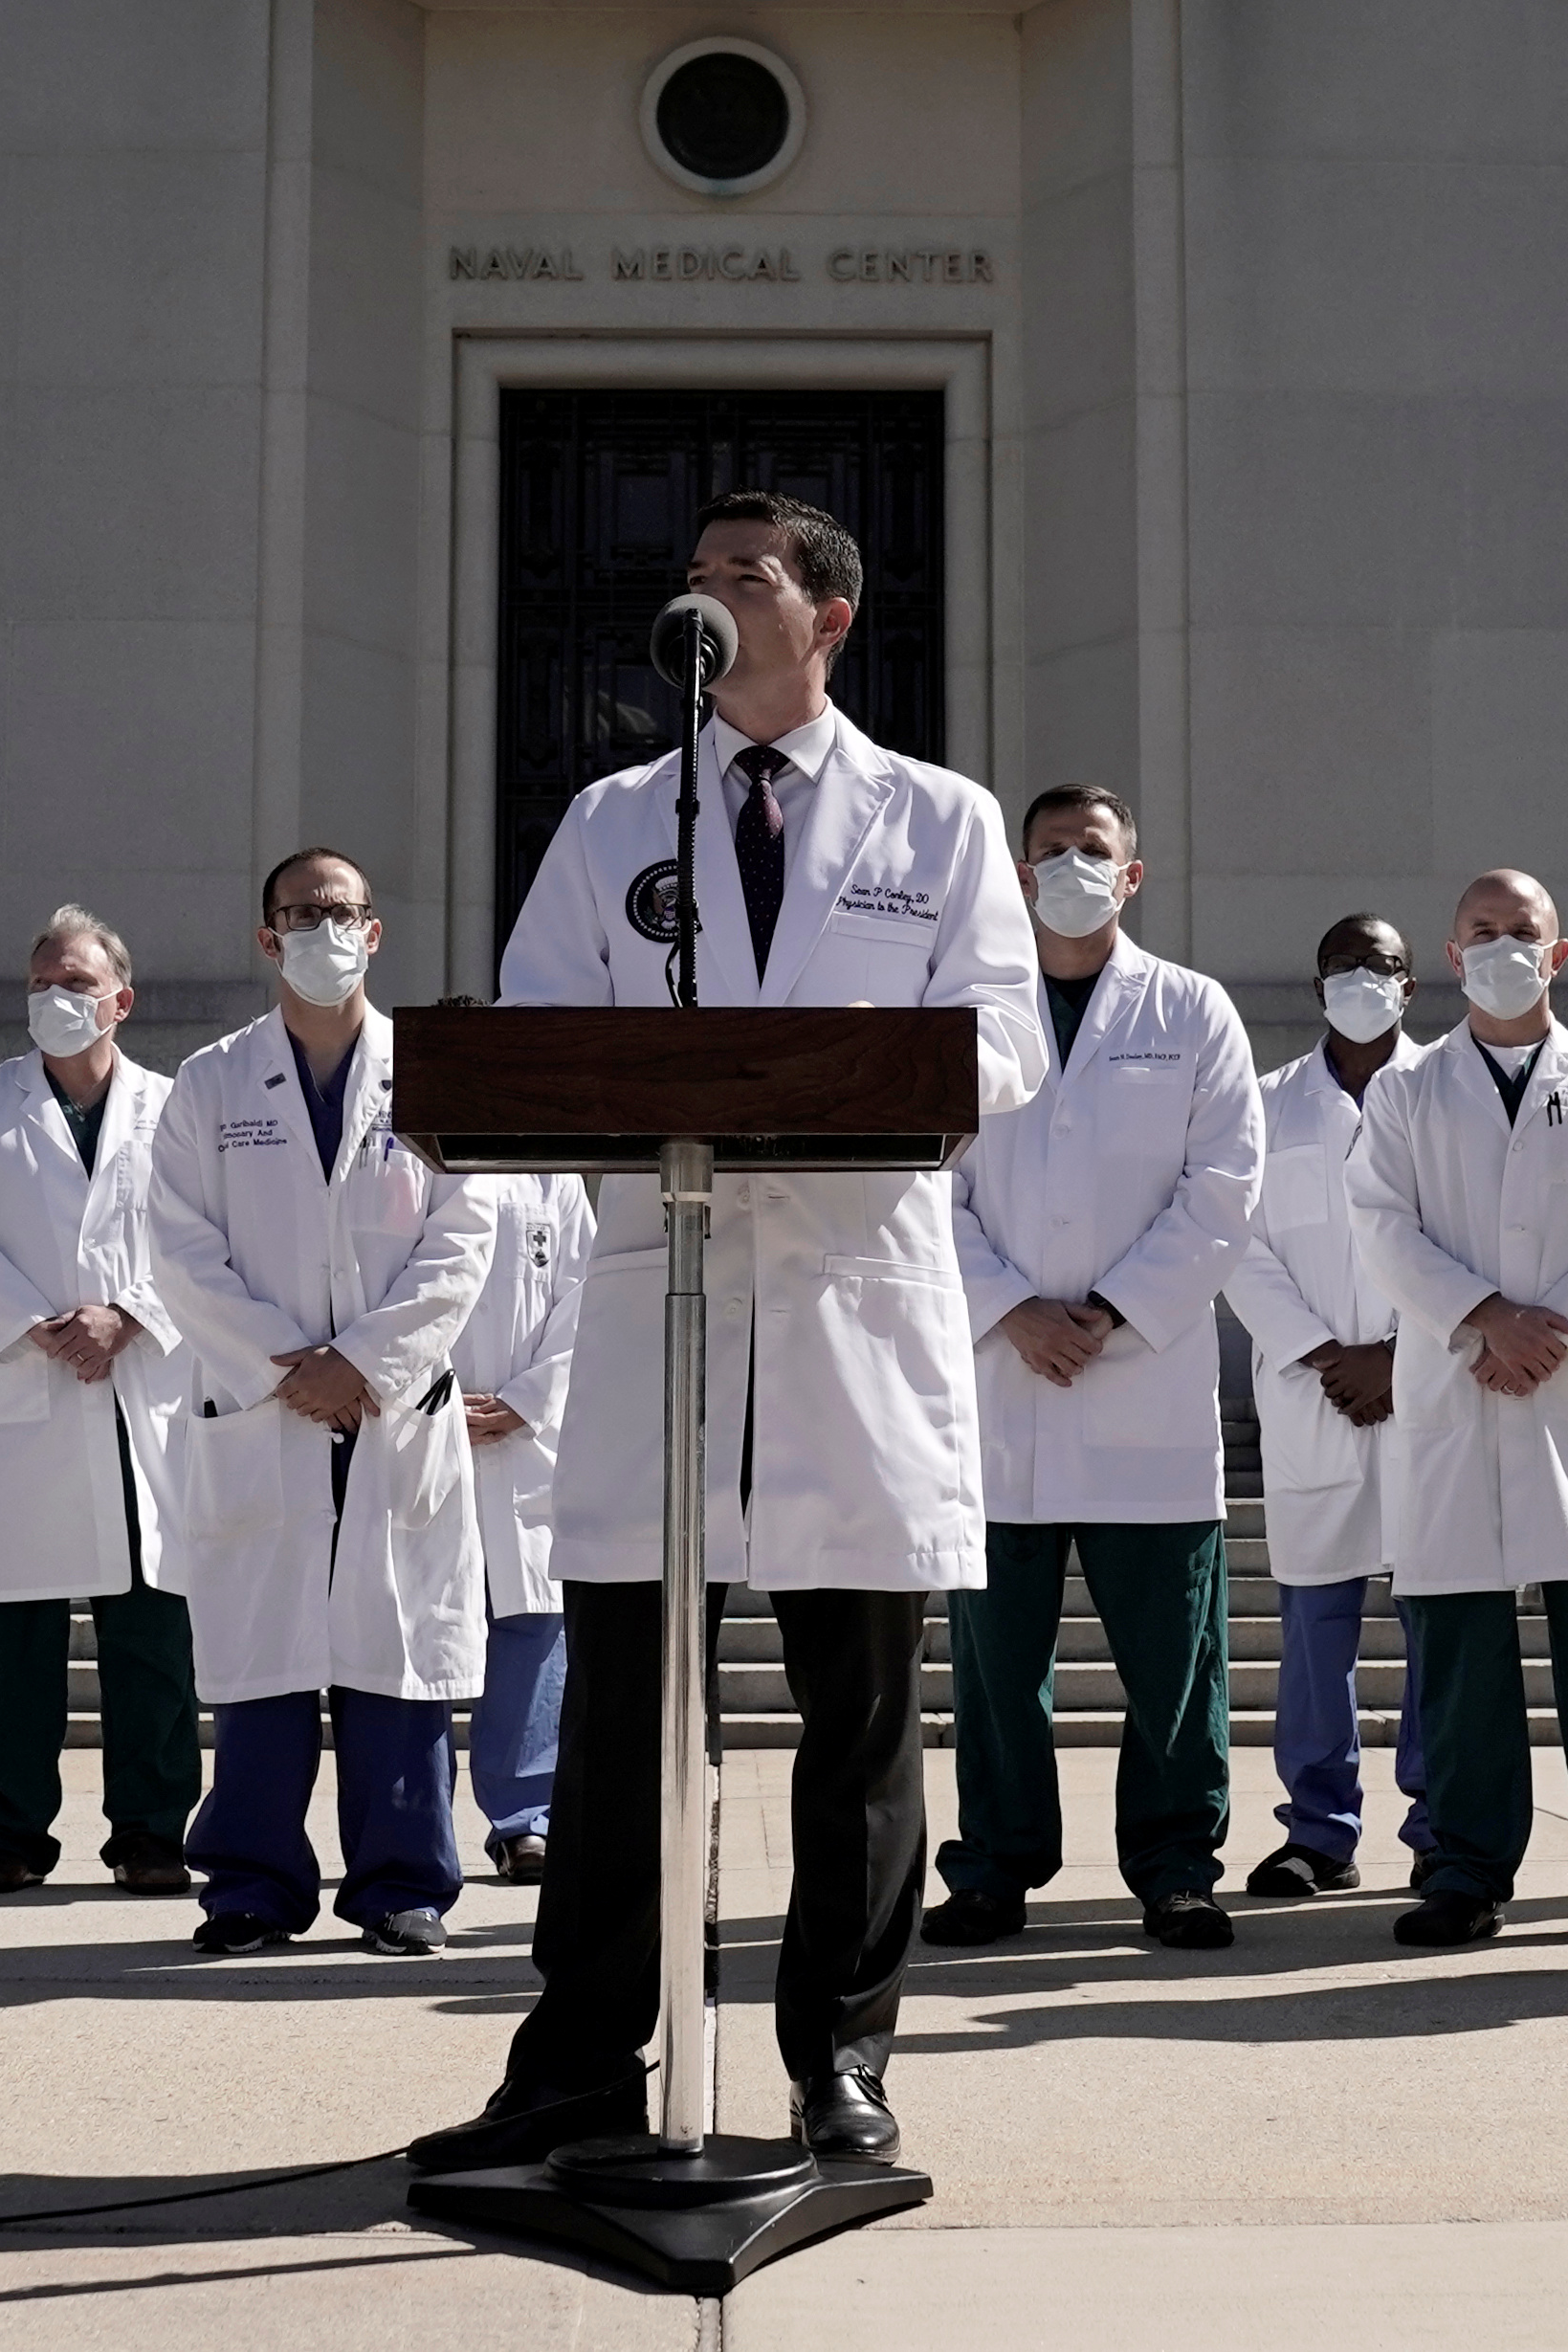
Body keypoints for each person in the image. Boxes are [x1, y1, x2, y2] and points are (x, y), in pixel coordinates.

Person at [410, 488, 1044, 2170]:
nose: (704, 599)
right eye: (691, 578)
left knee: (856, 1730)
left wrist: (829, 1082)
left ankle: (839, 2057)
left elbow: (999, 1044)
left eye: (741, 577)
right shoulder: (619, 819)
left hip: (845, 1301)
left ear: (827, 615)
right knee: (627, 1722)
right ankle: (575, 2066)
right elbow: (540, 1028)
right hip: (669, 1302)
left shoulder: (939, 819)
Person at [927, 785, 1261, 1953]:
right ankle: (995, 1865)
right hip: (1004, 1380)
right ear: (1020, 875)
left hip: (1143, 1388)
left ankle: (1176, 1864)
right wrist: (1014, 1309)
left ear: (1134, 873)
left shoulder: (1193, 1009)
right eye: (1052, 850)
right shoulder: (967, 1011)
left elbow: (1224, 1188)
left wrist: (1112, 1310)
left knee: (1173, 1662)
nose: (1072, 865)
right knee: (996, 1665)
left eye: (1094, 850)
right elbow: (928, 1183)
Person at [145, 849, 497, 1958]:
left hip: (389, 1414)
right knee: (267, 1661)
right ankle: (249, 1886)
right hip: (271, 1411)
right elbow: (177, 1245)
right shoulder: (210, 1081)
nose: (322, 930)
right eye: (301, 914)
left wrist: (366, 1364)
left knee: (395, 1658)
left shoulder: (430, 1072)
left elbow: (462, 1239)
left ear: (375, 933)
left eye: (341, 912)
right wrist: (287, 1365)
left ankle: (401, 1886)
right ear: (267, 937)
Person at [1347, 868, 1568, 1951]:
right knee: (1459, 1655)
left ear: (1558, 951)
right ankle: (1465, 1868)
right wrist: (1486, 1318)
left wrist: (1550, 1334)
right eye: (1482, 932)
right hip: (1460, 1386)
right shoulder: (1405, 1092)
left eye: (1521, 931)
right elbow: (1383, 1227)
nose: (1502, 947)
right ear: (1450, 958)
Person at [0, 905, 202, 1898]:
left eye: (78, 983)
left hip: (139, 1394)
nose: (58, 999)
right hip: (24, 1383)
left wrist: (127, 1315)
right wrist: (36, 1322)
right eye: (43, 982)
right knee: (15, 1639)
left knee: (151, 1632)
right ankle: (11, 1833)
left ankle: (152, 1830)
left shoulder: (177, 1110)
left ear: (120, 1000)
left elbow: (209, 1241)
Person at [1225, 913, 1439, 1898]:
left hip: (1430, 1389)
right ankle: (1320, 1829)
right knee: (1317, 1623)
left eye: (1383, 965)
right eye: (1345, 965)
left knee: (1439, 1609)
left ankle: (1442, 1818)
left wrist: (1402, 1357)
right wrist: (1329, 1354)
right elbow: (1239, 1244)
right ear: (1318, 988)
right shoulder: (1266, 1105)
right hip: (1315, 1395)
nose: (1364, 979)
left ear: (1412, 983)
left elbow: (1471, 1238)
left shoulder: (1451, 1093)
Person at [453, 1170, 595, 1882]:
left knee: (532, 1631)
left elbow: (584, 1298)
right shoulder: (396, 1141)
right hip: (413, 1426)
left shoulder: (551, 1174)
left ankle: (524, 1820)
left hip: (523, 1438)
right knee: (408, 1638)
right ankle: (407, 1830)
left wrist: (526, 1399)